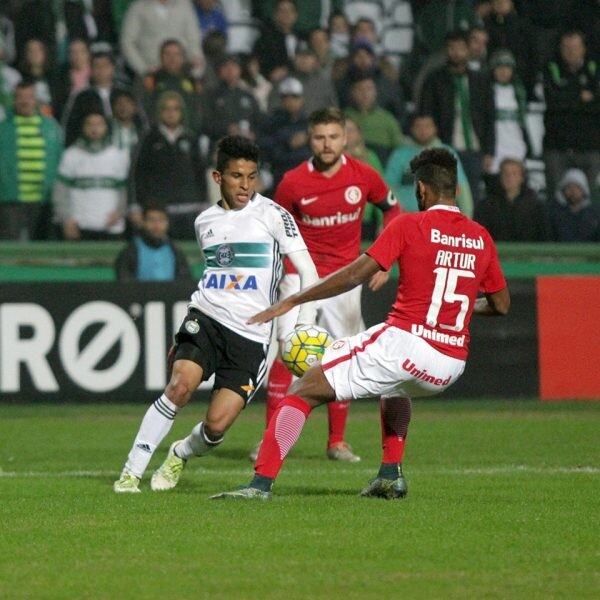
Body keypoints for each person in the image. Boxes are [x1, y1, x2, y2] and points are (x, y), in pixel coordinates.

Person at [212, 147, 510, 500]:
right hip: (449, 366)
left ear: (421, 191)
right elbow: (501, 305)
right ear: (456, 191)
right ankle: (390, 475)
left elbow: (355, 274)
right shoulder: (480, 236)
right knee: (395, 389)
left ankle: (259, 484)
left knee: (302, 390)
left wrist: (295, 299)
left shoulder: (409, 224)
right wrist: (450, 312)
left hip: (405, 345)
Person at [113, 135, 319, 493]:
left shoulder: (273, 215)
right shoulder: (204, 222)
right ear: (217, 177)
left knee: (216, 427)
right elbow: (215, 276)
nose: (245, 185)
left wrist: (303, 326)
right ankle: (131, 472)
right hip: (206, 317)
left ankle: (180, 452)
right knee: (179, 386)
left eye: (252, 176)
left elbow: (309, 271)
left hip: (252, 336)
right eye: (237, 176)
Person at [252, 107, 402, 464]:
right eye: (320, 137)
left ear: (345, 138)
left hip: (346, 280)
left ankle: (337, 442)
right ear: (310, 138)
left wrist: (383, 258)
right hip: (300, 276)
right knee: (286, 353)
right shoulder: (292, 183)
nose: (327, 144)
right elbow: (273, 227)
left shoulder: (365, 176)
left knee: (342, 356)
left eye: (333, 136)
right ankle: (269, 440)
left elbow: (393, 210)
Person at [419, 30, 496, 205]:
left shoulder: (481, 80)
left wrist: (489, 151)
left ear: (468, 49)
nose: (456, 52)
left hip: (474, 149)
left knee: (472, 198)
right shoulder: (434, 80)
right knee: (444, 196)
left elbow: (489, 117)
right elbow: (426, 115)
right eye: (451, 48)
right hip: (446, 147)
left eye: (461, 47)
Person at [131, 90, 208, 239]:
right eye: (166, 109)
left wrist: (204, 204)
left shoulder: (191, 138)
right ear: (159, 112)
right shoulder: (149, 138)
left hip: (189, 209)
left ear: (182, 112)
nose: (171, 113)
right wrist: (135, 206)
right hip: (158, 211)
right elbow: (137, 173)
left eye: (175, 109)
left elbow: (200, 173)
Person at [0, 81, 63, 240]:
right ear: (14, 100)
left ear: (36, 100)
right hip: (10, 200)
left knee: (42, 250)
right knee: (9, 249)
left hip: (44, 200)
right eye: (20, 97)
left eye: (29, 96)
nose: (25, 101)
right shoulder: (3, 129)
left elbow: (60, 161)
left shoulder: (52, 128)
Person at [53, 111, 129, 240]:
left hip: (111, 227)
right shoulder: (71, 155)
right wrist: (67, 219)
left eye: (99, 124)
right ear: (83, 127)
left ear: (106, 127)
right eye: (89, 124)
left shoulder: (118, 156)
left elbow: (124, 191)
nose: (94, 128)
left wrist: (119, 213)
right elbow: (60, 192)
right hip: (79, 226)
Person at [542, 30, 600, 201]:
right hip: (557, 146)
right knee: (556, 200)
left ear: (583, 49)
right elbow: (553, 101)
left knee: (590, 202)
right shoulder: (551, 67)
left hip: (589, 147)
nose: (570, 51)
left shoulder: (594, 67)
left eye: (575, 47)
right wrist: (581, 98)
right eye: (566, 47)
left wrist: (566, 95)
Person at [385, 114, 473, 217]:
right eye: (418, 127)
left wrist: (467, 218)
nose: (423, 131)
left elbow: (462, 189)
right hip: (405, 219)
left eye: (427, 126)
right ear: (411, 129)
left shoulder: (447, 153)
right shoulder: (400, 154)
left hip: (440, 220)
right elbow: (387, 187)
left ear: (435, 128)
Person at [475, 158, 550, 241]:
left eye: (514, 174)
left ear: (522, 177)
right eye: (505, 174)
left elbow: (544, 235)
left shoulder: (536, 206)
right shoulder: (487, 205)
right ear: (500, 176)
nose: (509, 178)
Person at [114, 205, 191, 280]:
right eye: (151, 220)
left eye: (161, 220)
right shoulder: (130, 252)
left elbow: (184, 281)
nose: (156, 226)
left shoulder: (175, 251)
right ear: (143, 222)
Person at [548, 168, 600, 242]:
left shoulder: (595, 214)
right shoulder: (554, 214)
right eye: (569, 187)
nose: (573, 191)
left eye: (576, 187)